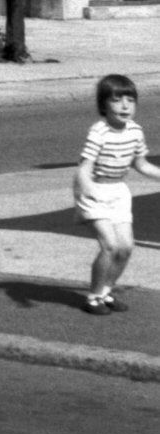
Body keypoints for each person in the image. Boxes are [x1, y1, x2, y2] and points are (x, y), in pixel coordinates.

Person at [73, 72, 160, 312]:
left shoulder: (135, 131)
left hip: (118, 192)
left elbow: (141, 164)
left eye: (130, 100)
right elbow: (83, 169)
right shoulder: (99, 132)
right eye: (117, 100)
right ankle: (92, 297)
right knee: (109, 245)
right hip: (94, 190)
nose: (124, 106)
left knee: (126, 247)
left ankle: (105, 291)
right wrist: (89, 189)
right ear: (103, 105)